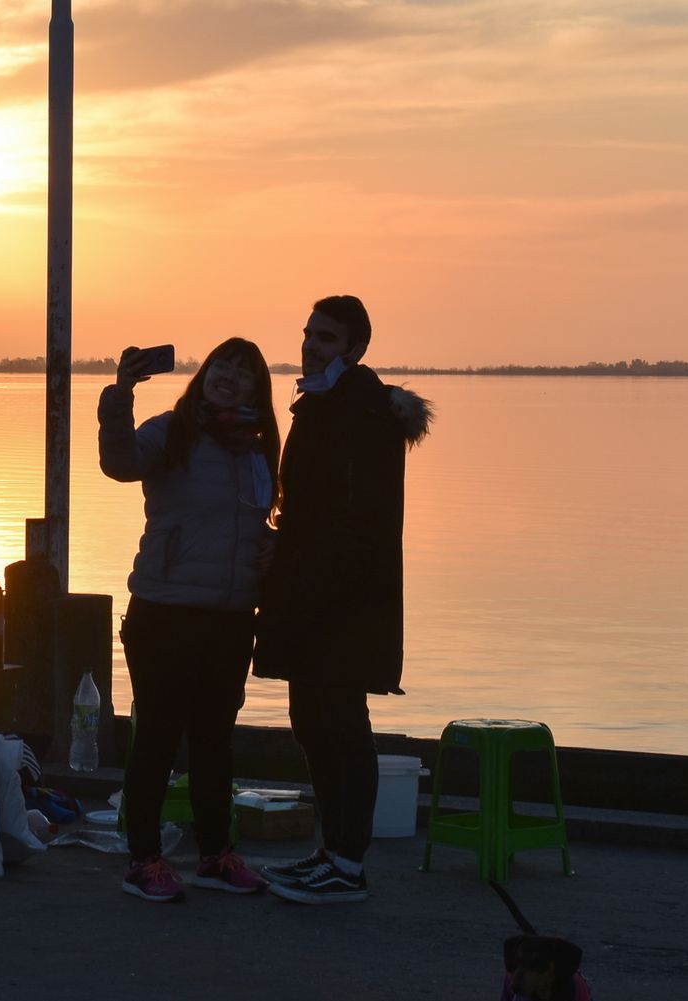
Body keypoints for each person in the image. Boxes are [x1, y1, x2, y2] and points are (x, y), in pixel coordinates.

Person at [253, 294, 432, 904]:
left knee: (342, 725)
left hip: (346, 598)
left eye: (326, 338)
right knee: (311, 723)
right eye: (309, 333)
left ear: (354, 349)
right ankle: (330, 849)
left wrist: (303, 559)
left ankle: (349, 862)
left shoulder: (362, 411)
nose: (311, 344)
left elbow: (360, 520)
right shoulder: (320, 403)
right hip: (308, 588)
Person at [98, 337, 281, 903]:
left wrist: (276, 543)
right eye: (221, 365)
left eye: (243, 372)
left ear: (257, 388)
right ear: (204, 374)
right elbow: (119, 463)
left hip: (229, 616)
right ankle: (143, 861)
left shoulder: (257, 446)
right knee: (156, 737)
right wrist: (120, 394)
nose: (229, 376)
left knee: (213, 742)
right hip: (164, 611)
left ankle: (214, 856)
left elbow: (256, 519)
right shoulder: (171, 430)